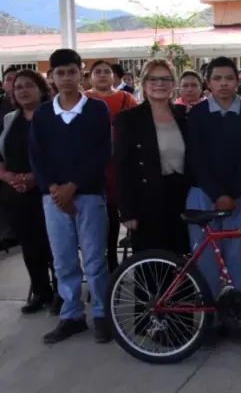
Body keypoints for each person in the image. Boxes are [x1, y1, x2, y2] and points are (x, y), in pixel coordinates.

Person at [29, 48, 112, 344]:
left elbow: (102, 152)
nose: (65, 78)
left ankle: (102, 314)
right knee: (63, 260)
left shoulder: (96, 109)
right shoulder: (42, 114)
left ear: (82, 73)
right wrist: (53, 187)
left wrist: (73, 185)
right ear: (51, 77)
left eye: (71, 71)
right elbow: (36, 157)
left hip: (88, 194)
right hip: (53, 199)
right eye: (59, 73)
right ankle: (71, 314)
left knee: (94, 259)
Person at [186, 57, 241, 343]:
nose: (224, 84)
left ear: (237, 81)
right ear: (209, 83)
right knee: (206, 261)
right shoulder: (197, 115)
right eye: (217, 79)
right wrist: (218, 194)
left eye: (229, 78)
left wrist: (235, 192)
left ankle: (236, 320)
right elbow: (196, 158)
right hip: (204, 195)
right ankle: (207, 322)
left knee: (236, 259)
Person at [114, 59, 190, 255]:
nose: (160, 84)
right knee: (151, 263)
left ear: (173, 84)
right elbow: (122, 168)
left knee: (181, 261)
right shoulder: (128, 119)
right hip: (146, 201)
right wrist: (127, 212)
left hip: (182, 199)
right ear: (143, 84)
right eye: (153, 79)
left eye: (165, 78)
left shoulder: (183, 115)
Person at [0, 70, 57, 314]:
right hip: (16, 192)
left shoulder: (53, 117)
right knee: (30, 246)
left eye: (28, 86)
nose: (22, 90)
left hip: (46, 190)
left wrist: (35, 178)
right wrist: (6, 175)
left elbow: (60, 154)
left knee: (54, 246)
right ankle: (41, 292)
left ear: (41, 89)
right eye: (18, 87)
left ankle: (62, 295)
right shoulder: (10, 119)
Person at [85, 60, 138, 273]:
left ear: (114, 76)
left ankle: (120, 261)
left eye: (106, 72)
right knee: (101, 215)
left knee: (121, 211)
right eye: (97, 72)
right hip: (93, 165)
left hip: (121, 164)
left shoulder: (126, 98)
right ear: (90, 77)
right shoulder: (83, 99)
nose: (102, 76)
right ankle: (102, 261)